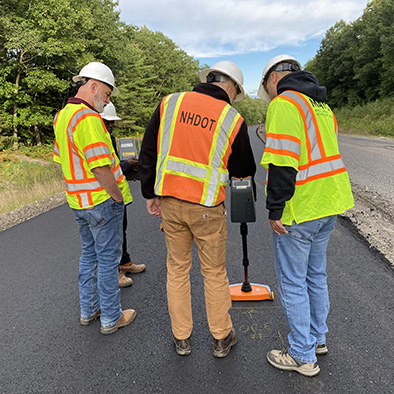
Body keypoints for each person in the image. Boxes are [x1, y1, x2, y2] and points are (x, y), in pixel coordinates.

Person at [138, 61, 256, 358]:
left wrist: (150, 193)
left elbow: (148, 151)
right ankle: (221, 337)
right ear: (231, 87)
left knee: (177, 270)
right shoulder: (232, 118)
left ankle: (182, 338)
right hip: (206, 208)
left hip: (171, 204)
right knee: (214, 273)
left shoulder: (170, 103)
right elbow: (243, 169)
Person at [257, 54, 354, 376]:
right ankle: (317, 338)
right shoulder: (321, 106)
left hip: (301, 207)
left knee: (293, 282)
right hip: (329, 203)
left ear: (273, 78)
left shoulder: (285, 104)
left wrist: (275, 209)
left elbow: (284, 162)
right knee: (315, 275)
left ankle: (302, 355)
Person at [53, 62, 137, 335]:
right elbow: (100, 165)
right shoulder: (88, 118)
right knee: (108, 259)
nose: (106, 101)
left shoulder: (63, 116)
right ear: (93, 86)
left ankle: (89, 310)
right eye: (108, 95)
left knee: (89, 255)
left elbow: (60, 159)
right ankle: (112, 316)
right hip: (100, 201)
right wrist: (116, 198)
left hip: (78, 202)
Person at [100, 102, 146, 288]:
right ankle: (115, 271)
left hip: (118, 192)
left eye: (112, 122)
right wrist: (127, 165)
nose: (111, 126)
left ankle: (124, 261)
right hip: (106, 194)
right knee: (111, 235)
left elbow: (113, 165)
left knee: (120, 230)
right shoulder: (99, 138)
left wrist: (127, 169)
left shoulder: (108, 137)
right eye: (107, 122)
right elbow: (105, 168)